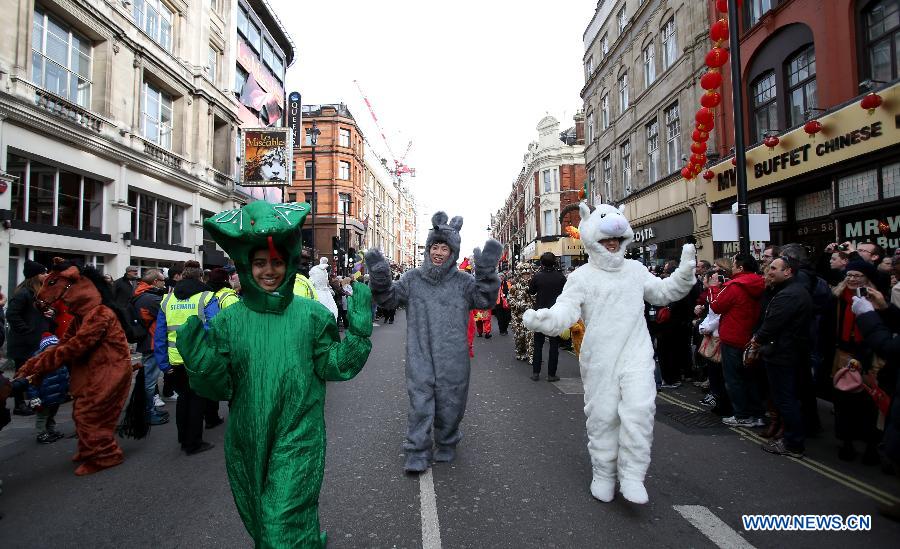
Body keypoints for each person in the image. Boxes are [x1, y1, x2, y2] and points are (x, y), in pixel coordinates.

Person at [176, 200, 372, 546]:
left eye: (277, 262)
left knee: (280, 523)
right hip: (247, 437)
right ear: (246, 266)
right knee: (261, 521)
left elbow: (334, 365)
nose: (269, 271)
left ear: (289, 264)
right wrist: (200, 364)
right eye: (260, 263)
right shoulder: (228, 321)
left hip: (299, 434)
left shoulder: (312, 315)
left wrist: (358, 335)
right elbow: (222, 387)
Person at [524, 202, 696, 504]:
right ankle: (603, 473)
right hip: (600, 359)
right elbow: (566, 311)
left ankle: (632, 475)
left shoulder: (636, 270)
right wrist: (545, 319)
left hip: (636, 354)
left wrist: (683, 275)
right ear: (593, 239)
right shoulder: (581, 277)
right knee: (603, 417)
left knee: (640, 412)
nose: (612, 243)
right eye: (606, 239)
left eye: (616, 239)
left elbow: (663, 293)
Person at [365, 211, 501, 473]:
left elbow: (484, 301)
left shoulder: (464, 282)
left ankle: (447, 441)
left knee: (451, 404)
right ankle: (417, 450)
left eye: (444, 248)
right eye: (435, 246)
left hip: (454, 357)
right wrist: (380, 275)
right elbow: (388, 300)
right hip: (420, 355)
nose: (439, 252)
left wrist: (486, 274)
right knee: (419, 404)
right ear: (428, 249)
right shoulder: (413, 279)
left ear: (453, 252)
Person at [15, 262, 133, 475]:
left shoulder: (100, 314)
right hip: (92, 370)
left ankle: (106, 454)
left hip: (109, 370)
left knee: (90, 413)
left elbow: (76, 346)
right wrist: (36, 365)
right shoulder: (82, 316)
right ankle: (89, 449)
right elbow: (65, 343)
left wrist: (38, 365)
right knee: (82, 411)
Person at [154, 260, 220, 455]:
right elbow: (215, 328)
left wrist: (163, 363)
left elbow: (160, 334)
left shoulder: (167, 300)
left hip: (175, 360)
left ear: (181, 277)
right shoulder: (207, 297)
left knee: (183, 398)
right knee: (197, 400)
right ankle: (193, 443)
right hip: (198, 359)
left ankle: (183, 438)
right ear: (200, 277)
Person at [752, 257, 812, 459]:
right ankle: (791, 439)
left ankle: (793, 443)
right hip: (787, 351)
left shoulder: (789, 295)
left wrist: (757, 340)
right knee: (786, 398)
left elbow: (772, 323)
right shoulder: (791, 291)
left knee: (785, 399)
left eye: (774, 268)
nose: (769, 271)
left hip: (783, 353)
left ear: (788, 271)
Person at [828, 259, 881, 463]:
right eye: (849, 275)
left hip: (868, 356)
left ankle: (871, 446)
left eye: (858, 276)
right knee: (844, 401)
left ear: (866, 278)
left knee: (868, 403)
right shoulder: (838, 297)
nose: (852, 279)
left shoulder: (876, 299)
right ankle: (847, 442)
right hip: (843, 353)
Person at [710, 254, 766, 428]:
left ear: (741, 268)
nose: (732, 267)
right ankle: (757, 414)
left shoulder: (735, 286)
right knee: (751, 379)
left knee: (734, 379)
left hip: (733, 337)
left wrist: (713, 288)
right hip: (751, 337)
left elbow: (716, 306)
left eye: (734, 264)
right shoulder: (761, 283)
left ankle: (742, 414)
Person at [6, 260, 50, 416]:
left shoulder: (36, 294)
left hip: (33, 342)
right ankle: (19, 405)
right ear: (35, 275)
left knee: (32, 374)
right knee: (22, 374)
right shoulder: (24, 293)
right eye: (43, 273)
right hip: (23, 343)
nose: (46, 275)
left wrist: (48, 315)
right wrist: (26, 330)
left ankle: (32, 402)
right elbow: (12, 314)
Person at [132, 269, 169, 426]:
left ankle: (149, 410)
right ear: (155, 282)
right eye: (162, 281)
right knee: (150, 380)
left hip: (148, 340)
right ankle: (149, 412)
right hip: (153, 342)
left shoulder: (140, 294)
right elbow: (167, 313)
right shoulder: (150, 298)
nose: (164, 283)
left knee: (148, 379)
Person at [528, 252, 566, 382]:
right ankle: (551, 374)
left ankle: (536, 373)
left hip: (540, 314)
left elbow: (531, 291)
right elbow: (566, 293)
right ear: (554, 262)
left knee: (538, 344)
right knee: (554, 345)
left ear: (542, 263)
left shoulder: (537, 276)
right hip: (555, 314)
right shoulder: (560, 277)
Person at [26, 334, 70, 444]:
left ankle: (50, 430)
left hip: (56, 396)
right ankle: (41, 434)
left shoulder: (60, 361)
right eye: (49, 349)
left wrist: (66, 390)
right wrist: (34, 397)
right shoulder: (37, 364)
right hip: (43, 397)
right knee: (42, 416)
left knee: (51, 415)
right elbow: (32, 383)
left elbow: (64, 377)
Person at [509, 262, 537, 362]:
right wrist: (519, 305)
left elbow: (537, 299)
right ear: (520, 274)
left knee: (530, 336)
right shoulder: (514, 287)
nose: (526, 276)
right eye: (524, 274)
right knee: (519, 336)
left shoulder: (533, 286)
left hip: (530, 316)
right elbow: (510, 299)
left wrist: (532, 299)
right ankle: (520, 352)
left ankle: (531, 356)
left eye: (528, 274)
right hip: (518, 316)